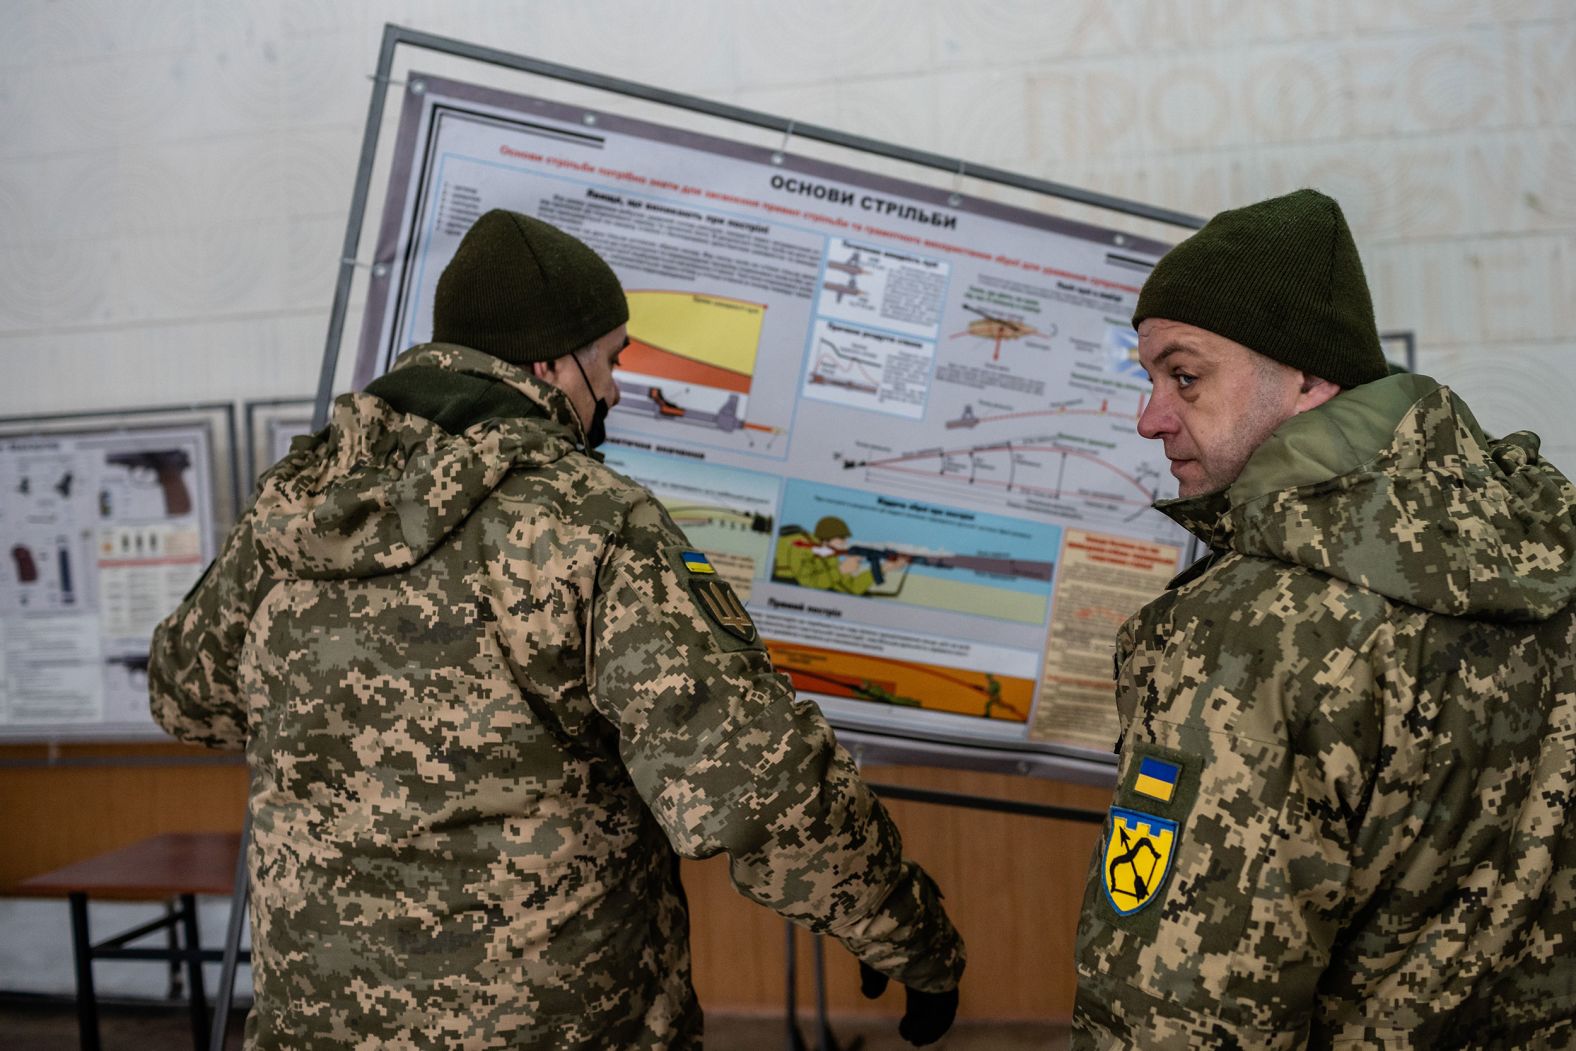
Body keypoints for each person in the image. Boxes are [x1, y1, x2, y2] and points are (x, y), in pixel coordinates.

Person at [148, 209, 964, 1050]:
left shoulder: (291, 508)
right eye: (610, 360)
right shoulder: (590, 524)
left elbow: (185, 696)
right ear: (547, 362)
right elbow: (762, 786)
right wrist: (910, 936)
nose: (612, 389)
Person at [1073, 189, 1576, 1048]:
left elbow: (1185, 1013)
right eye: (1150, 377)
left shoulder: (1245, 634)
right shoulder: (1544, 548)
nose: (1149, 416)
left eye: (1184, 375)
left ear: (1305, 375)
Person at [774, 515, 909, 595]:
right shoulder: (799, 546)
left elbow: (852, 587)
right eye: (841, 539)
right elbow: (808, 583)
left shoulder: (829, 555)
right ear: (827, 538)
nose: (845, 544)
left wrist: (883, 568)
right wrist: (841, 570)